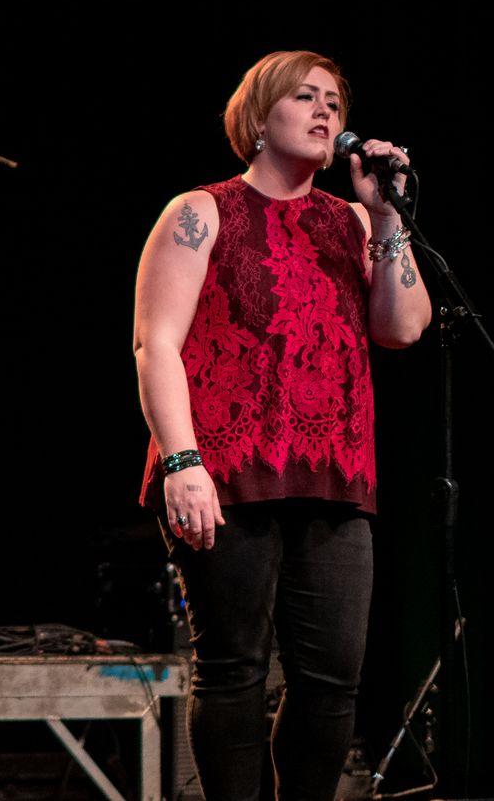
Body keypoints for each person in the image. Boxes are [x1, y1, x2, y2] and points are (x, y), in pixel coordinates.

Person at [133, 50, 431, 799]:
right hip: (225, 469)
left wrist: (387, 216)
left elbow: (404, 327)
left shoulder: (353, 221)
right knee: (233, 668)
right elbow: (155, 343)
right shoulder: (201, 211)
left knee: (332, 679)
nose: (325, 110)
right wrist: (182, 462)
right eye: (304, 96)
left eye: (334, 99)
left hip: (334, 472)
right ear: (259, 118)